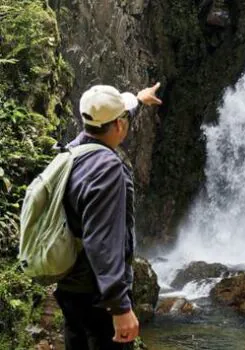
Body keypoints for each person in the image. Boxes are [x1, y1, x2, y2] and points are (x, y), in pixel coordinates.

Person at [53, 83, 162, 350]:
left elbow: (114, 115)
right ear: (118, 126)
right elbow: (101, 242)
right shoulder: (107, 169)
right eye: (123, 118)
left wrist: (139, 99)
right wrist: (119, 306)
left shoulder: (71, 151)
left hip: (70, 285)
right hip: (98, 296)